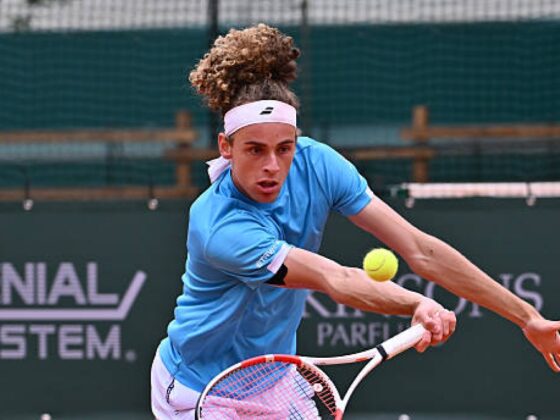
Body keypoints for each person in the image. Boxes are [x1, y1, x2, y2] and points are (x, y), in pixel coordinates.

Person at [151, 24, 560, 419]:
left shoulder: (318, 164)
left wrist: (527, 317)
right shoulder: (220, 226)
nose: (272, 165)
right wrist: (416, 302)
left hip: (275, 378)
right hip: (199, 389)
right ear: (226, 146)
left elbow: (420, 250)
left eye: (284, 148)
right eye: (255, 150)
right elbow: (336, 279)